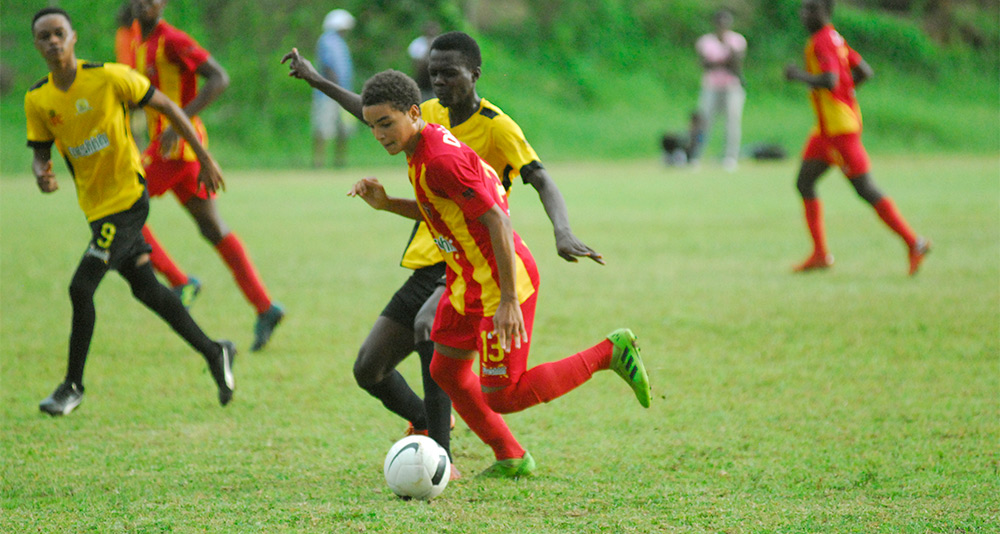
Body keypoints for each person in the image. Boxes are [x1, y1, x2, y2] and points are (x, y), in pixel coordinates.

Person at [281, 32, 603, 474]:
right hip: (456, 266)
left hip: (491, 269)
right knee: (414, 369)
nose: (377, 133)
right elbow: (374, 112)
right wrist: (318, 82)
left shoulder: (483, 133)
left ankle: (442, 456)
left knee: (490, 383)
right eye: (433, 74)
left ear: (474, 74)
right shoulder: (427, 124)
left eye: (448, 73)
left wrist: (559, 235)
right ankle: (502, 453)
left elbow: (507, 210)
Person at [348, 70, 651, 477]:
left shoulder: (439, 158)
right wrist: (387, 205)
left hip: (499, 283)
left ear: (414, 112)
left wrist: (508, 301)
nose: (380, 134)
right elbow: (443, 212)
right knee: (444, 370)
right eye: (372, 127)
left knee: (504, 395)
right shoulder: (422, 146)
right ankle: (510, 455)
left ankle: (609, 353)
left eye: (386, 123)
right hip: (464, 280)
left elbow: (496, 220)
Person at [25, 7, 236, 416]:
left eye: (59, 33)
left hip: (127, 198)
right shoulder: (38, 99)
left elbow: (170, 107)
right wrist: (41, 174)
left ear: (73, 38)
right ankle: (215, 351)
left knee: (80, 287)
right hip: (95, 207)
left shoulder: (108, 76)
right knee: (147, 289)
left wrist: (203, 156)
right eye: (44, 37)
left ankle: (72, 386)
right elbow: (39, 152)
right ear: (37, 45)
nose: (52, 41)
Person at [130, 0, 284, 350]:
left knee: (121, 209)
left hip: (176, 150)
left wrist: (179, 121)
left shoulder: (173, 39)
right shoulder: (141, 41)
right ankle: (265, 307)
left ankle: (180, 281)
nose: (144, 3)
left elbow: (219, 77)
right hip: (172, 148)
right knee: (212, 228)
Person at [785, 0, 930, 275]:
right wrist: (847, 92)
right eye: (803, 9)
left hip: (839, 131)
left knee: (865, 189)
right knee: (804, 182)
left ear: (827, 11)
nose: (804, 14)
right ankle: (819, 254)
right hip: (827, 129)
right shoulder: (835, 38)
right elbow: (864, 71)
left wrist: (798, 76)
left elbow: (828, 80)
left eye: (811, 9)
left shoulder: (821, 41)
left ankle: (915, 243)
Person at [691, 8, 746, 171]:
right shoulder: (705, 41)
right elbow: (704, 64)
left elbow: (736, 64)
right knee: (704, 121)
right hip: (711, 86)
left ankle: (730, 157)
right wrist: (724, 61)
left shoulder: (736, 40)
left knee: (732, 121)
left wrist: (722, 56)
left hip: (731, 86)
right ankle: (695, 155)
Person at [312, 9, 356, 168]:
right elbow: (328, 66)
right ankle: (319, 162)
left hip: (344, 93)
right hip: (329, 93)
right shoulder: (327, 40)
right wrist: (335, 88)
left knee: (343, 130)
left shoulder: (341, 42)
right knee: (324, 128)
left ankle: (339, 162)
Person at [407, 21, 440, 102]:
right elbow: (415, 64)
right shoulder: (418, 44)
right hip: (421, 80)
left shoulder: (441, 43)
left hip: (436, 81)